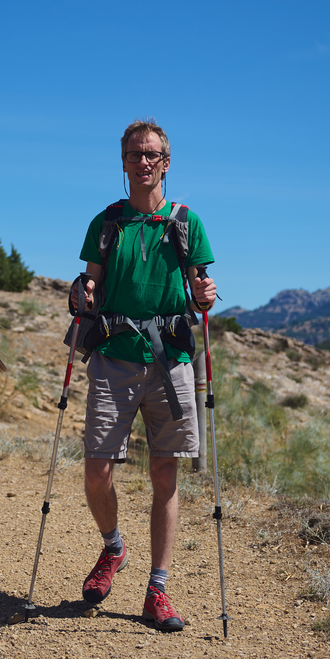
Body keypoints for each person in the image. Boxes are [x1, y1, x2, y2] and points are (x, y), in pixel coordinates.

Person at [74, 118, 217, 632]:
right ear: (123, 160)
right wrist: (80, 295)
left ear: (166, 162)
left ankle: (158, 587)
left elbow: (203, 287)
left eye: (152, 154)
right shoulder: (107, 223)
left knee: (165, 474)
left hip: (171, 362)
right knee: (96, 471)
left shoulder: (186, 223)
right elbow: (88, 285)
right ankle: (114, 548)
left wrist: (205, 297)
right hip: (115, 357)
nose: (143, 162)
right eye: (135, 154)